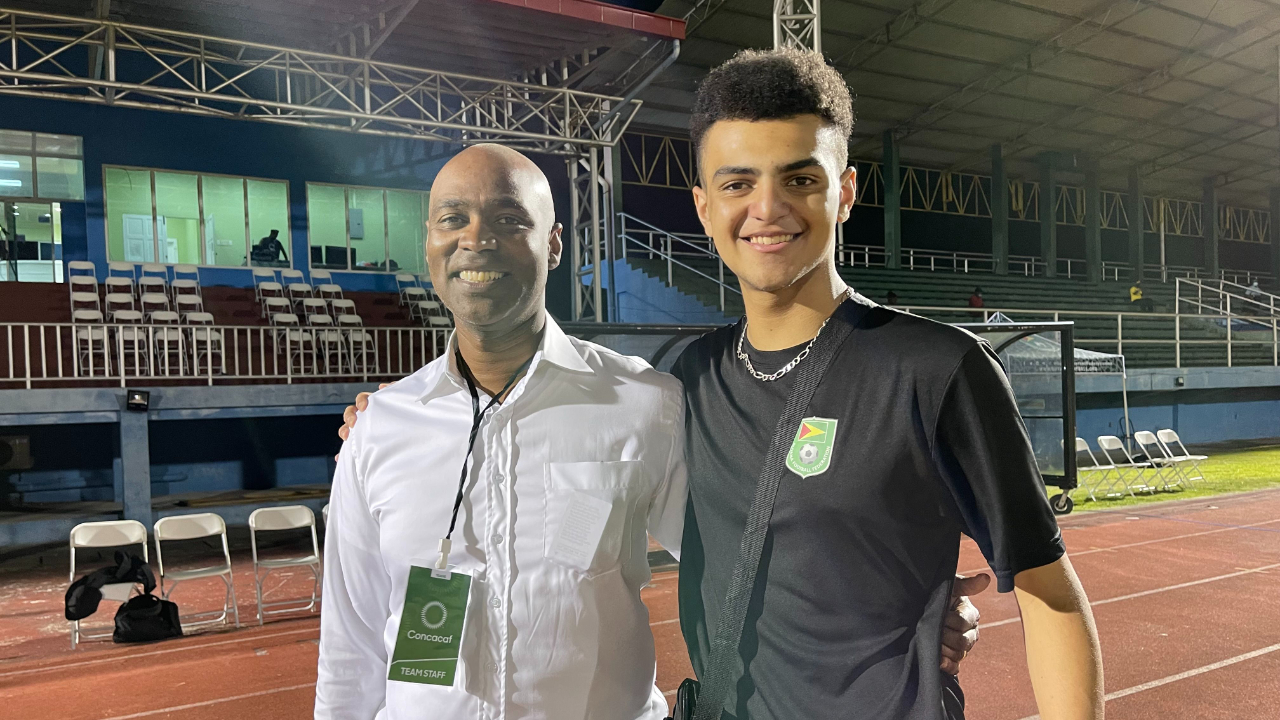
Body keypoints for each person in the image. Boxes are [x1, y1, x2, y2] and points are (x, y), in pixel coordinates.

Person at [671, 49, 1100, 718]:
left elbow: (1050, 592)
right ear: (703, 206)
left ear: (843, 192)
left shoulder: (936, 369)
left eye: (799, 179)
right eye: (736, 184)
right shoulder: (692, 378)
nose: (767, 207)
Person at [315, 145, 691, 718]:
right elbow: (351, 641)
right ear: (429, 243)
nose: (476, 239)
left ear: (555, 243)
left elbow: (727, 579)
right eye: (453, 218)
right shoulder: (379, 427)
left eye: (509, 220)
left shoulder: (643, 404)